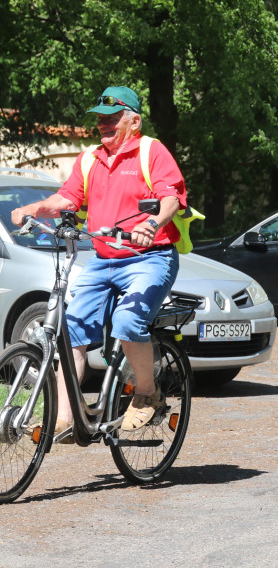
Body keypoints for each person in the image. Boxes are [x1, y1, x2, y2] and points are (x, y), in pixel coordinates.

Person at [10, 86, 186, 436]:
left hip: (148, 259)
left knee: (127, 320)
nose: (103, 125)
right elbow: (68, 197)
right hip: (104, 259)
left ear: (133, 121)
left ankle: (147, 394)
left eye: (112, 118)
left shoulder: (151, 151)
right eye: (100, 119)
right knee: (70, 330)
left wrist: (151, 224)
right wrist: (34, 208)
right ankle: (63, 417)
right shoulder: (90, 158)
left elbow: (172, 198)